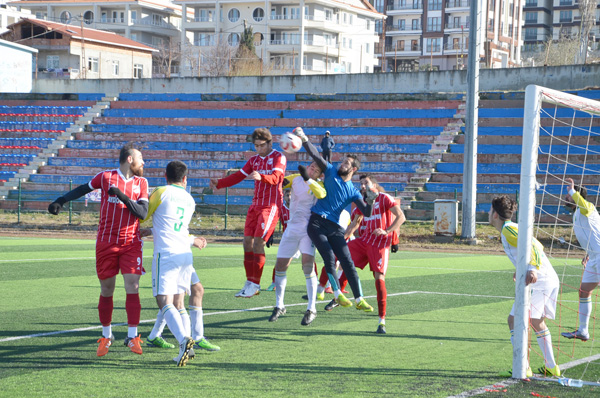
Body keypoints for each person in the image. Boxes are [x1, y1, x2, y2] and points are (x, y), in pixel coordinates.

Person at [48, 143, 149, 357]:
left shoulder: (142, 182)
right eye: (140, 157)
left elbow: (142, 213)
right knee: (107, 289)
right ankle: (106, 336)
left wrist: (122, 196)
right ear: (129, 159)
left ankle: (133, 336)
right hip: (106, 242)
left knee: (133, 285)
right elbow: (84, 188)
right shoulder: (105, 177)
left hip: (131, 242)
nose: (144, 162)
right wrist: (61, 201)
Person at [142, 161, 219, 365]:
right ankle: (189, 346)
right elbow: (174, 225)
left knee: (163, 301)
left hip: (166, 253)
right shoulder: (189, 199)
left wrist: (145, 226)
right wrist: (153, 230)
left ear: (164, 176)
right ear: (185, 179)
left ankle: (183, 340)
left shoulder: (161, 191)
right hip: (186, 253)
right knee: (178, 302)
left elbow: (143, 215)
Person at [292, 126, 375, 312]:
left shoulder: (353, 191)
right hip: (317, 223)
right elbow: (315, 155)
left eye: (347, 163)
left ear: (353, 169)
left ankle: (360, 298)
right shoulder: (330, 172)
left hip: (335, 227)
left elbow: (367, 212)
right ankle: (337, 294)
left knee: (347, 261)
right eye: (343, 161)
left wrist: (369, 199)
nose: (342, 164)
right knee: (329, 257)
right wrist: (304, 138)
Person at [209, 128, 286, 298]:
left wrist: (262, 177)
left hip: (271, 206)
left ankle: (256, 284)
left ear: (270, 143)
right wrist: (219, 183)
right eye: (256, 146)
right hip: (255, 206)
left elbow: (277, 178)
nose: (259, 149)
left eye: (262, 145)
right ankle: (250, 282)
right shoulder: (254, 160)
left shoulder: (278, 157)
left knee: (258, 242)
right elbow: (238, 176)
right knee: (246, 243)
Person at [489, 195, 561, 378]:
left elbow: (534, 247)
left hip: (541, 278)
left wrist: (532, 269)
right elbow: (532, 247)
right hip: (547, 277)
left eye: (490, 211)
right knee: (536, 322)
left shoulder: (508, 230)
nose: (488, 214)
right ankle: (552, 367)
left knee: (514, 320)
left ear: (495, 215)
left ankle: (523, 367)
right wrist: (522, 268)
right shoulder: (510, 229)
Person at [329, 175, 405, 334]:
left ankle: (382, 320)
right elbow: (354, 224)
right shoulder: (362, 202)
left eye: (366, 183)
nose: (362, 186)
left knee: (379, 279)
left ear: (374, 185)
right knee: (342, 258)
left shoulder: (384, 198)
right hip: (364, 240)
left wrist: (387, 231)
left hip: (380, 243)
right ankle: (338, 296)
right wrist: (342, 239)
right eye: (361, 183)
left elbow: (401, 217)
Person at [269, 161, 326, 326]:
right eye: (311, 166)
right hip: (291, 229)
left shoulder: (319, 184)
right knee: (280, 266)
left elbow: (321, 194)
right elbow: (281, 182)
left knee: (307, 266)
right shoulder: (295, 178)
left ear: (320, 175)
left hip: (307, 231)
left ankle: (311, 308)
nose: (312, 168)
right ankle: (279, 305)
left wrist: (309, 179)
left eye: (316, 169)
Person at [561, 178, 600, 342]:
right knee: (584, 291)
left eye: (568, 194)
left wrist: (572, 191)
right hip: (594, 257)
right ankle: (583, 331)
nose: (566, 197)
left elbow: (583, 205)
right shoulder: (578, 212)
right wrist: (588, 254)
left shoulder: (587, 207)